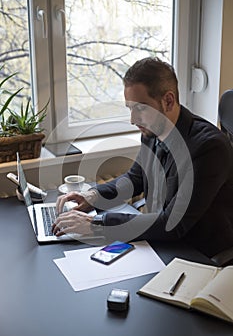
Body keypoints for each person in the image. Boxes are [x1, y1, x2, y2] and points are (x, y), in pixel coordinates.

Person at [52, 57, 233, 258]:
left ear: (168, 101)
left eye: (140, 108)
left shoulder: (208, 148)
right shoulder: (152, 131)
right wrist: (93, 197)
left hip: (195, 253)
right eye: (130, 109)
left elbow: (173, 224)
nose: (132, 120)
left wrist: (96, 224)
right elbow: (135, 178)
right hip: (161, 242)